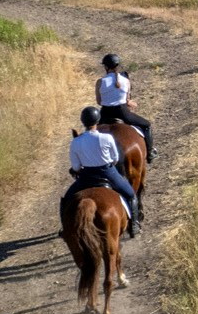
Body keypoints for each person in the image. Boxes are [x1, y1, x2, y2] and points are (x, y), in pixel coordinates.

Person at [64, 106, 140, 237]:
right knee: (130, 194)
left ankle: (66, 230)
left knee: (66, 200)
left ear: (83, 122)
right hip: (108, 173)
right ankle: (134, 224)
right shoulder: (107, 138)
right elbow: (115, 158)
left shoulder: (76, 142)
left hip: (86, 176)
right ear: (98, 120)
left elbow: (76, 167)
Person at [95, 53, 155, 162]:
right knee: (147, 125)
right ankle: (150, 152)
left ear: (105, 67)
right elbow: (127, 100)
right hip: (123, 113)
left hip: (105, 114)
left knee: (90, 133)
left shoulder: (100, 82)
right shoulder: (126, 81)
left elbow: (99, 101)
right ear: (117, 66)